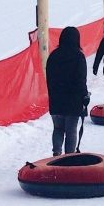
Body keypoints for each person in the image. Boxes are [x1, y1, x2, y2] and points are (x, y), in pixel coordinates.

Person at [45, 26, 88, 156]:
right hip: (73, 100)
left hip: (56, 99)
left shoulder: (53, 56)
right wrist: (84, 95)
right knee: (71, 130)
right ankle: (69, 157)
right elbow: (81, 79)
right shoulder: (78, 56)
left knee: (58, 129)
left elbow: (49, 77)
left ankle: (56, 153)